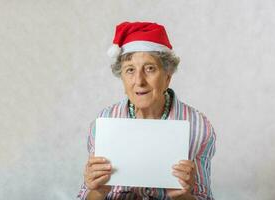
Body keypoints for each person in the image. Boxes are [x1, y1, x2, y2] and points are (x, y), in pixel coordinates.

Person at [77, 21, 216, 200]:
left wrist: (183, 195)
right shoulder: (104, 122)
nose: (139, 80)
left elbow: (204, 196)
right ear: (122, 78)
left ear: (167, 76)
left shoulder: (198, 127)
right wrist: (97, 191)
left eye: (150, 69)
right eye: (130, 70)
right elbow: (85, 196)